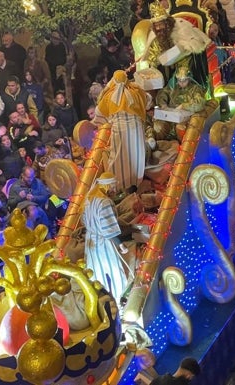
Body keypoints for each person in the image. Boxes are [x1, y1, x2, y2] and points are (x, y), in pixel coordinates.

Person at [95, 70, 150, 192]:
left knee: (119, 157)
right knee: (136, 156)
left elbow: (99, 113)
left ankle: (118, 186)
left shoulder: (109, 95)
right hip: (136, 130)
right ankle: (137, 182)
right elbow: (147, 101)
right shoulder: (135, 91)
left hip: (119, 131)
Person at [81, 172, 132, 301]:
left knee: (95, 269)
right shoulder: (104, 202)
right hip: (103, 243)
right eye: (113, 186)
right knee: (111, 269)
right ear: (108, 186)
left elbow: (83, 219)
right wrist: (120, 245)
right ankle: (116, 294)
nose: (115, 189)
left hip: (90, 239)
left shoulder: (89, 198)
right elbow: (108, 228)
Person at [154, 65, 206, 141]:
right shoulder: (174, 87)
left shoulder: (195, 89)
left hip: (185, 119)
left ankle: (183, 148)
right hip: (171, 117)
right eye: (179, 80)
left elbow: (200, 103)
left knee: (180, 128)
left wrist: (184, 106)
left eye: (184, 81)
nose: (181, 83)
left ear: (189, 79)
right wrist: (163, 104)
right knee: (158, 126)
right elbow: (162, 93)